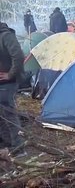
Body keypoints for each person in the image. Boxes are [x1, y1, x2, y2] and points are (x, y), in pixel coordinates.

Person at [0, 22, 26, 157]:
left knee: (8, 113)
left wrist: (10, 74)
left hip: (8, 82)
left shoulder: (6, 36)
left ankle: (19, 148)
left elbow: (18, 56)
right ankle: (7, 143)